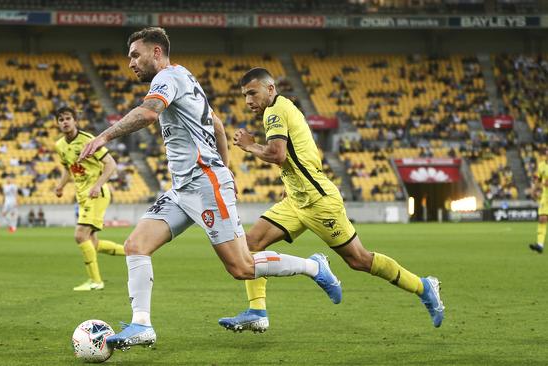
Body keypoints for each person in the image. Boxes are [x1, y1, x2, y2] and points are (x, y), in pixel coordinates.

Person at [79, 27, 341, 350]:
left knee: (242, 266)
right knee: (135, 245)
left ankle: (315, 266)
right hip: (182, 189)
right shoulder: (185, 77)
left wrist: (103, 137)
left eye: (135, 54)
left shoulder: (167, 79)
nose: (130, 62)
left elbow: (148, 113)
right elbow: (217, 124)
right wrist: (229, 168)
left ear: (157, 52)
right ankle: (141, 324)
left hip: (204, 184)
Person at [218, 68, 444, 332]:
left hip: (319, 202)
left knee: (359, 260)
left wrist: (250, 145)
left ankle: (423, 286)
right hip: (296, 199)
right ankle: (258, 310)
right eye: (245, 95)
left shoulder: (276, 111)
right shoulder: (284, 109)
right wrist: (290, 184)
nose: (248, 101)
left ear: (270, 89)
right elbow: (304, 154)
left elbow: (278, 154)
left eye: (252, 93)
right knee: (250, 244)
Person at [53, 106, 126, 291]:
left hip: (96, 193)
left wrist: (98, 184)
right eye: (60, 119)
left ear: (75, 120)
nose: (65, 122)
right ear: (57, 123)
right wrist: (61, 185)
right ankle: (133, 251)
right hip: (82, 195)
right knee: (92, 242)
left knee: (80, 235)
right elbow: (68, 168)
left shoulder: (89, 140)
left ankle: (96, 281)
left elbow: (111, 164)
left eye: (68, 118)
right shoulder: (59, 145)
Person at [529, 149, 548, 254]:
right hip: (546, 196)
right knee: (542, 218)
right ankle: (540, 245)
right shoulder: (541, 166)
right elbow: (537, 179)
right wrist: (533, 191)